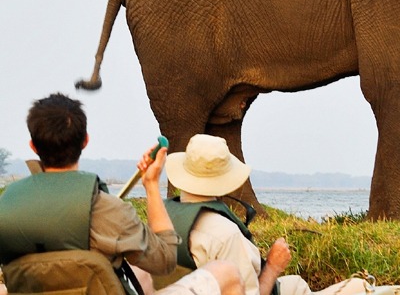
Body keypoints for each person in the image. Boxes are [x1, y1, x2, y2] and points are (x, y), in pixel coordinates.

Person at [0, 93, 242, 295]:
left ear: (33, 146)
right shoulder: (109, 210)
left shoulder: (6, 208)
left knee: (141, 273)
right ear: (85, 141)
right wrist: (151, 186)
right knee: (225, 272)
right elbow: (165, 260)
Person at [164, 134, 368, 295]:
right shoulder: (225, 234)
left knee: (296, 284)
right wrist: (272, 266)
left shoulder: (163, 218)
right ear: (223, 178)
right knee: (361, 286)